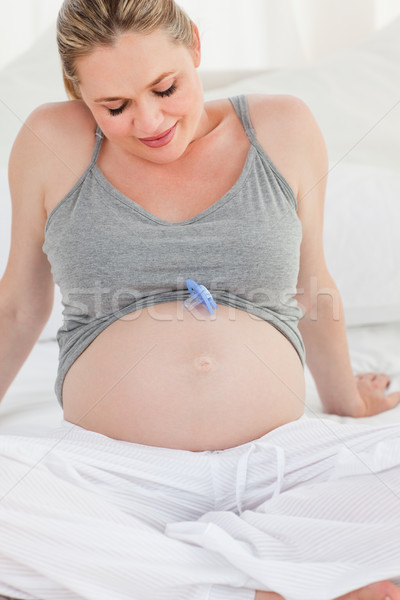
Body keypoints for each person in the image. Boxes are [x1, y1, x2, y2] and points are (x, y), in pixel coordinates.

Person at [0, 1, 399, 599]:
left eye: (166, 87)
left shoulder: (283, 126)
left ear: (194, 49)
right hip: (115, 477)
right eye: (115, 107)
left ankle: (188, 580)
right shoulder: (50, 138)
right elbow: (18, 305)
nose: (150, 120)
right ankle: (293, 575)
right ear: (77, 93)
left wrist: (347, 405)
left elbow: (312, 286)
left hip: (283, 465)